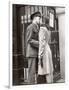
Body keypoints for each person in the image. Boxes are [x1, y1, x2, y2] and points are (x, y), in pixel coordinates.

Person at [25, 12, 41, 84]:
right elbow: (29, 40)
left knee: (37, 71)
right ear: (35, 18)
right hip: (31, 53)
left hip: (36, 52)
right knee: (31, 73)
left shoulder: (37, 26)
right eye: (39, 17)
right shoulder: (30, 27)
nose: (40, 19)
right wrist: (39, 43)